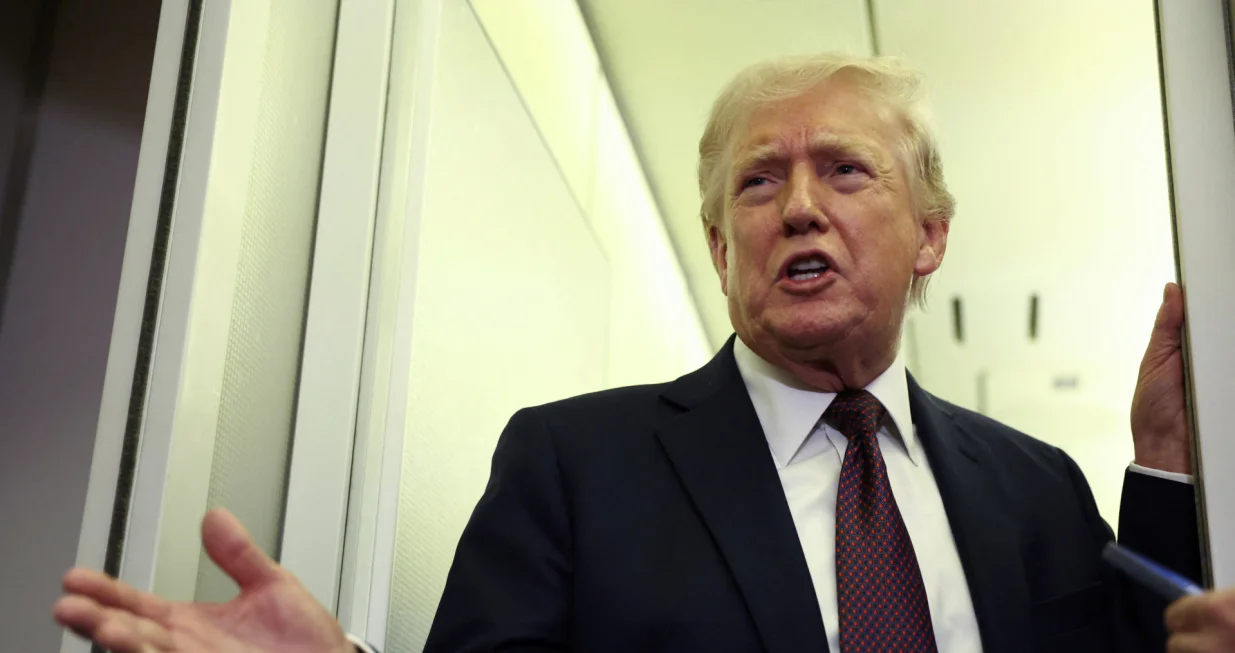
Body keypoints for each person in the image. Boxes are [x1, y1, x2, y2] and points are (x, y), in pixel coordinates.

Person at [52, 53, 1230, 652]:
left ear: (930, 235)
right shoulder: (575, 460)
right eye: (758, 183)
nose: (798, 207)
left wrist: (1173, 461)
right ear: (720, 246)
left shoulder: (1034, 489)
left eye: (844, 170)